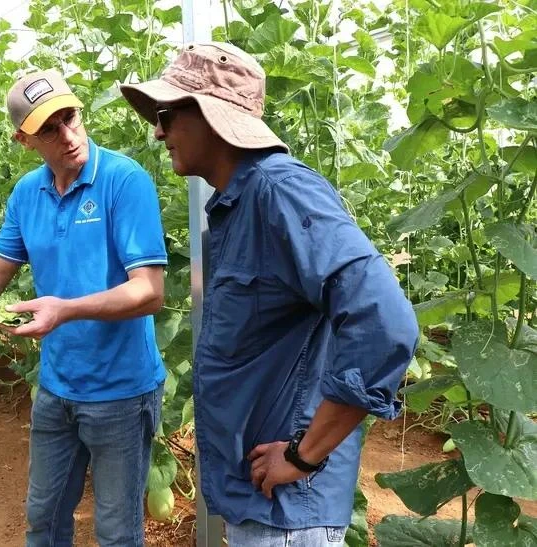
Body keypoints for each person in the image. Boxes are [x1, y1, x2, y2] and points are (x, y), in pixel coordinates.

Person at [120, 42, 419, 546]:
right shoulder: (238, 206)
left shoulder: (279, 192)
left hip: (287, 513)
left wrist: (304, 454)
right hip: (260, 503)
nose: (158, 130)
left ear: (213, 115)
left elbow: (386, 322)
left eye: (168, 113)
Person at [0, 69, 168, 547]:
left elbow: (149, 292)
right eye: (50, 128)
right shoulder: (28, 193)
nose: (68, 135)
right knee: (43, 521)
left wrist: (65, 310)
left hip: (121, 394)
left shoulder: (123, 181)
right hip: (57, 388)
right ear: (24, 140)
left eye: (70, 118)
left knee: (116, 532)